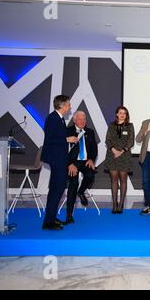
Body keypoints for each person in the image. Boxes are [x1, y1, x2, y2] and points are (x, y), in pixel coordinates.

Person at [41, 95, 77, 230]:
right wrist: (67, 139)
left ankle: (51, 218)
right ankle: (48, 222)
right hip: (56, 159)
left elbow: (56, 137)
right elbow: (49, 139)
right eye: (68, 104)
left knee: (58, 189)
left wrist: (65, 139)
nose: (70, 107)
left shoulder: (58, 118)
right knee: (57, 189)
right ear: (62, 105)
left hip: (60, 158)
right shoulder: (53, 118)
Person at [65, 110, 98, 224]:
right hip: (72, 163)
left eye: (84, 119)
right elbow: (63, 151)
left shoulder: (90, 132)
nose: (82, 121)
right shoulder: (67, 131)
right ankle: (69, 214)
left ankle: (81, 192)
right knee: (73, 184)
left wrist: (91, 159)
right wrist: (69, 164)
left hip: (85, 162)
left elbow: (94, 149)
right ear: (74, 120)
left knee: (90, 174)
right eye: (79, 119)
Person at [105, 106, 134, 214]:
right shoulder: (111, 126)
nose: (122, 115)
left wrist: (121, 151)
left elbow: (131, 141)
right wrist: (114, 151)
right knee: (113, 180)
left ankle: (121, 204)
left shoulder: (130, 126)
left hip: (124, 155)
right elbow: (107, 140)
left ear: (126, 115)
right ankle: (114, 204)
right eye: (120, 113)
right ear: (116, 114)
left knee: (123, 180)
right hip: (112, 155)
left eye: (124, 113)